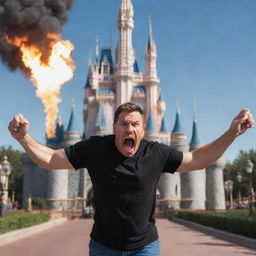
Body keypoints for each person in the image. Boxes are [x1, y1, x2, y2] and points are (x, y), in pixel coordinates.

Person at [8, 102, 254, 256]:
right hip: (103, 246)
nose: (130, 129)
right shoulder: (94, 148)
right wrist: (23, 139)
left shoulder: (155, 152)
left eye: (135, 124)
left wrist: (232, 133)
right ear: (114, 127)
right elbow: (51, 159)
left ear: (143, 130)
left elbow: (199, 159)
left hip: (145, 247)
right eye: (124, 124)